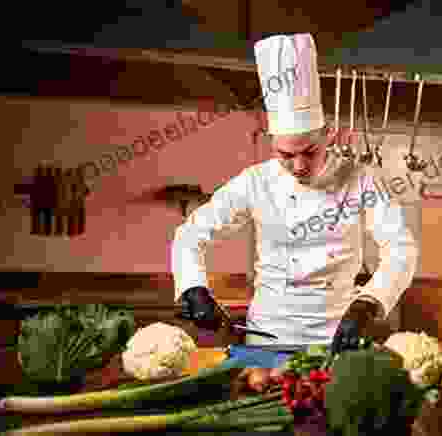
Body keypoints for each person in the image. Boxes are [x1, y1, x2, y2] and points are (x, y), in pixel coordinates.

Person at [171, 33, 419, 349]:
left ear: (328, 136)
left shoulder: (362, 180)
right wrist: (194, 287)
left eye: (310, 152)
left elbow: (401, 249)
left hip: (338, 336)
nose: (299, 165)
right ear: (272, 143)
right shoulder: (255, 181)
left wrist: (369, 302)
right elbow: (191, 234)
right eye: (286, 155)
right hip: (267, 336)